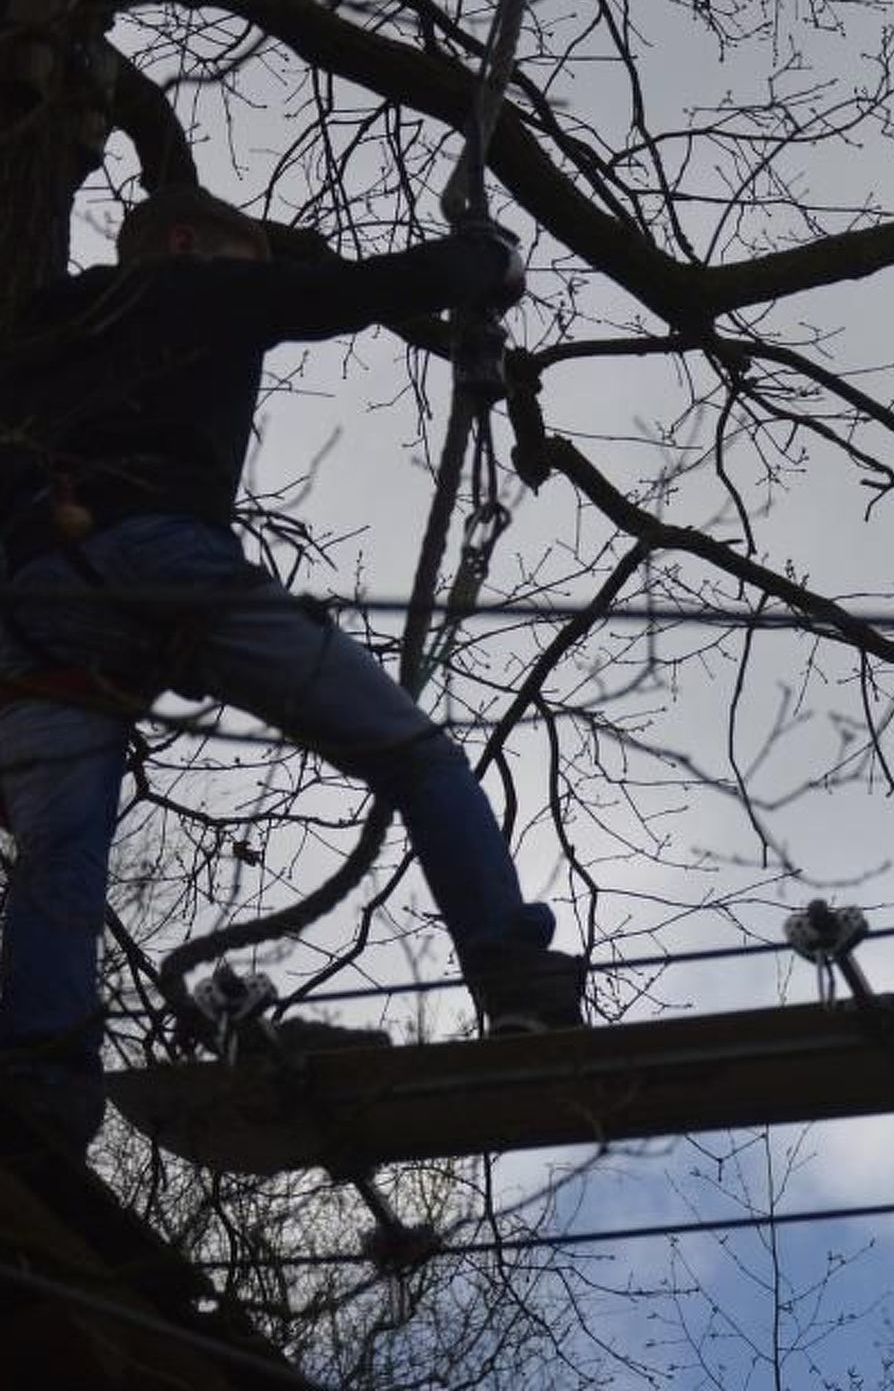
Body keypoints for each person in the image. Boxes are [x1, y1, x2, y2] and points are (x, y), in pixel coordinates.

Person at [0, 185, 585, 1157]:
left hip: (33, 611)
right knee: (416, 756)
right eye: (242, 259)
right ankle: (516, 983)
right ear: (185, 242)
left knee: (60, 855)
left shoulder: (39, 336)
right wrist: (478, 262)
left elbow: (296, 280)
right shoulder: (187, 287)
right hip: (160, 561)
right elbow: (346, 294)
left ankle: (37, 1085)